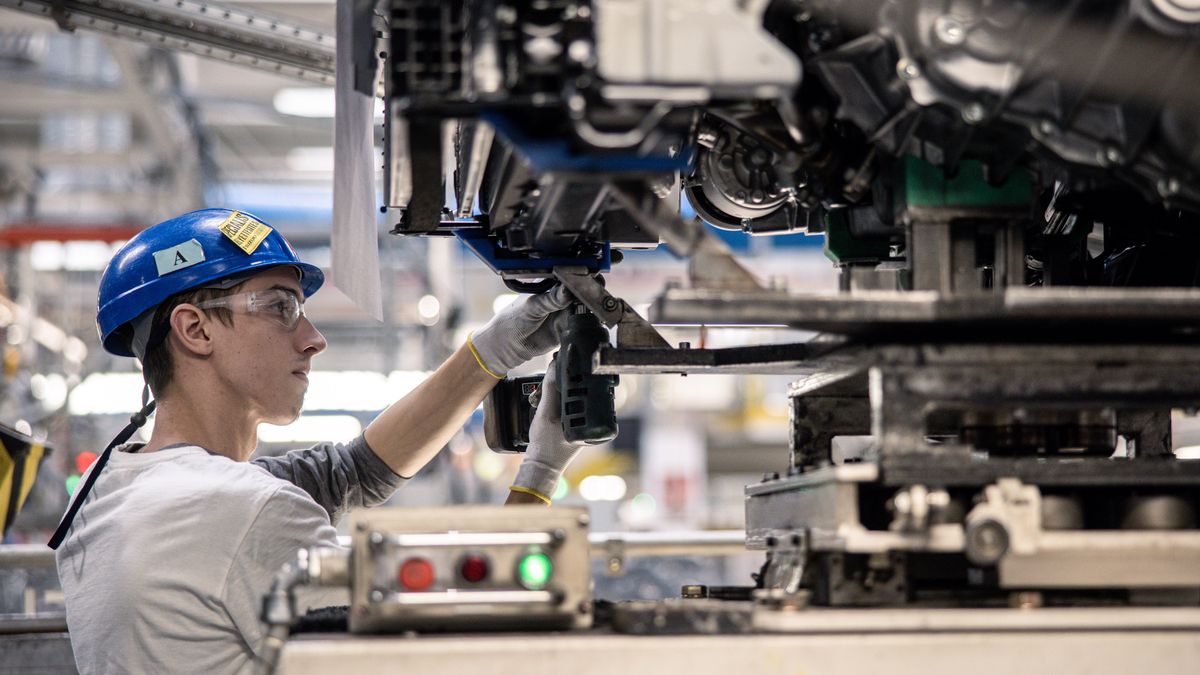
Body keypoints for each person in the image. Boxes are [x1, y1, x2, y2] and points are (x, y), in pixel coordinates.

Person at [51, 208, 587, 674]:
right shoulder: (238, 511)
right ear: (195, 330)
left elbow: (353, 472)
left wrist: (492, 353)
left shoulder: (112, 487)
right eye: (281, 307)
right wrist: (539, 474)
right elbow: (450, 656)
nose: (314, 339)